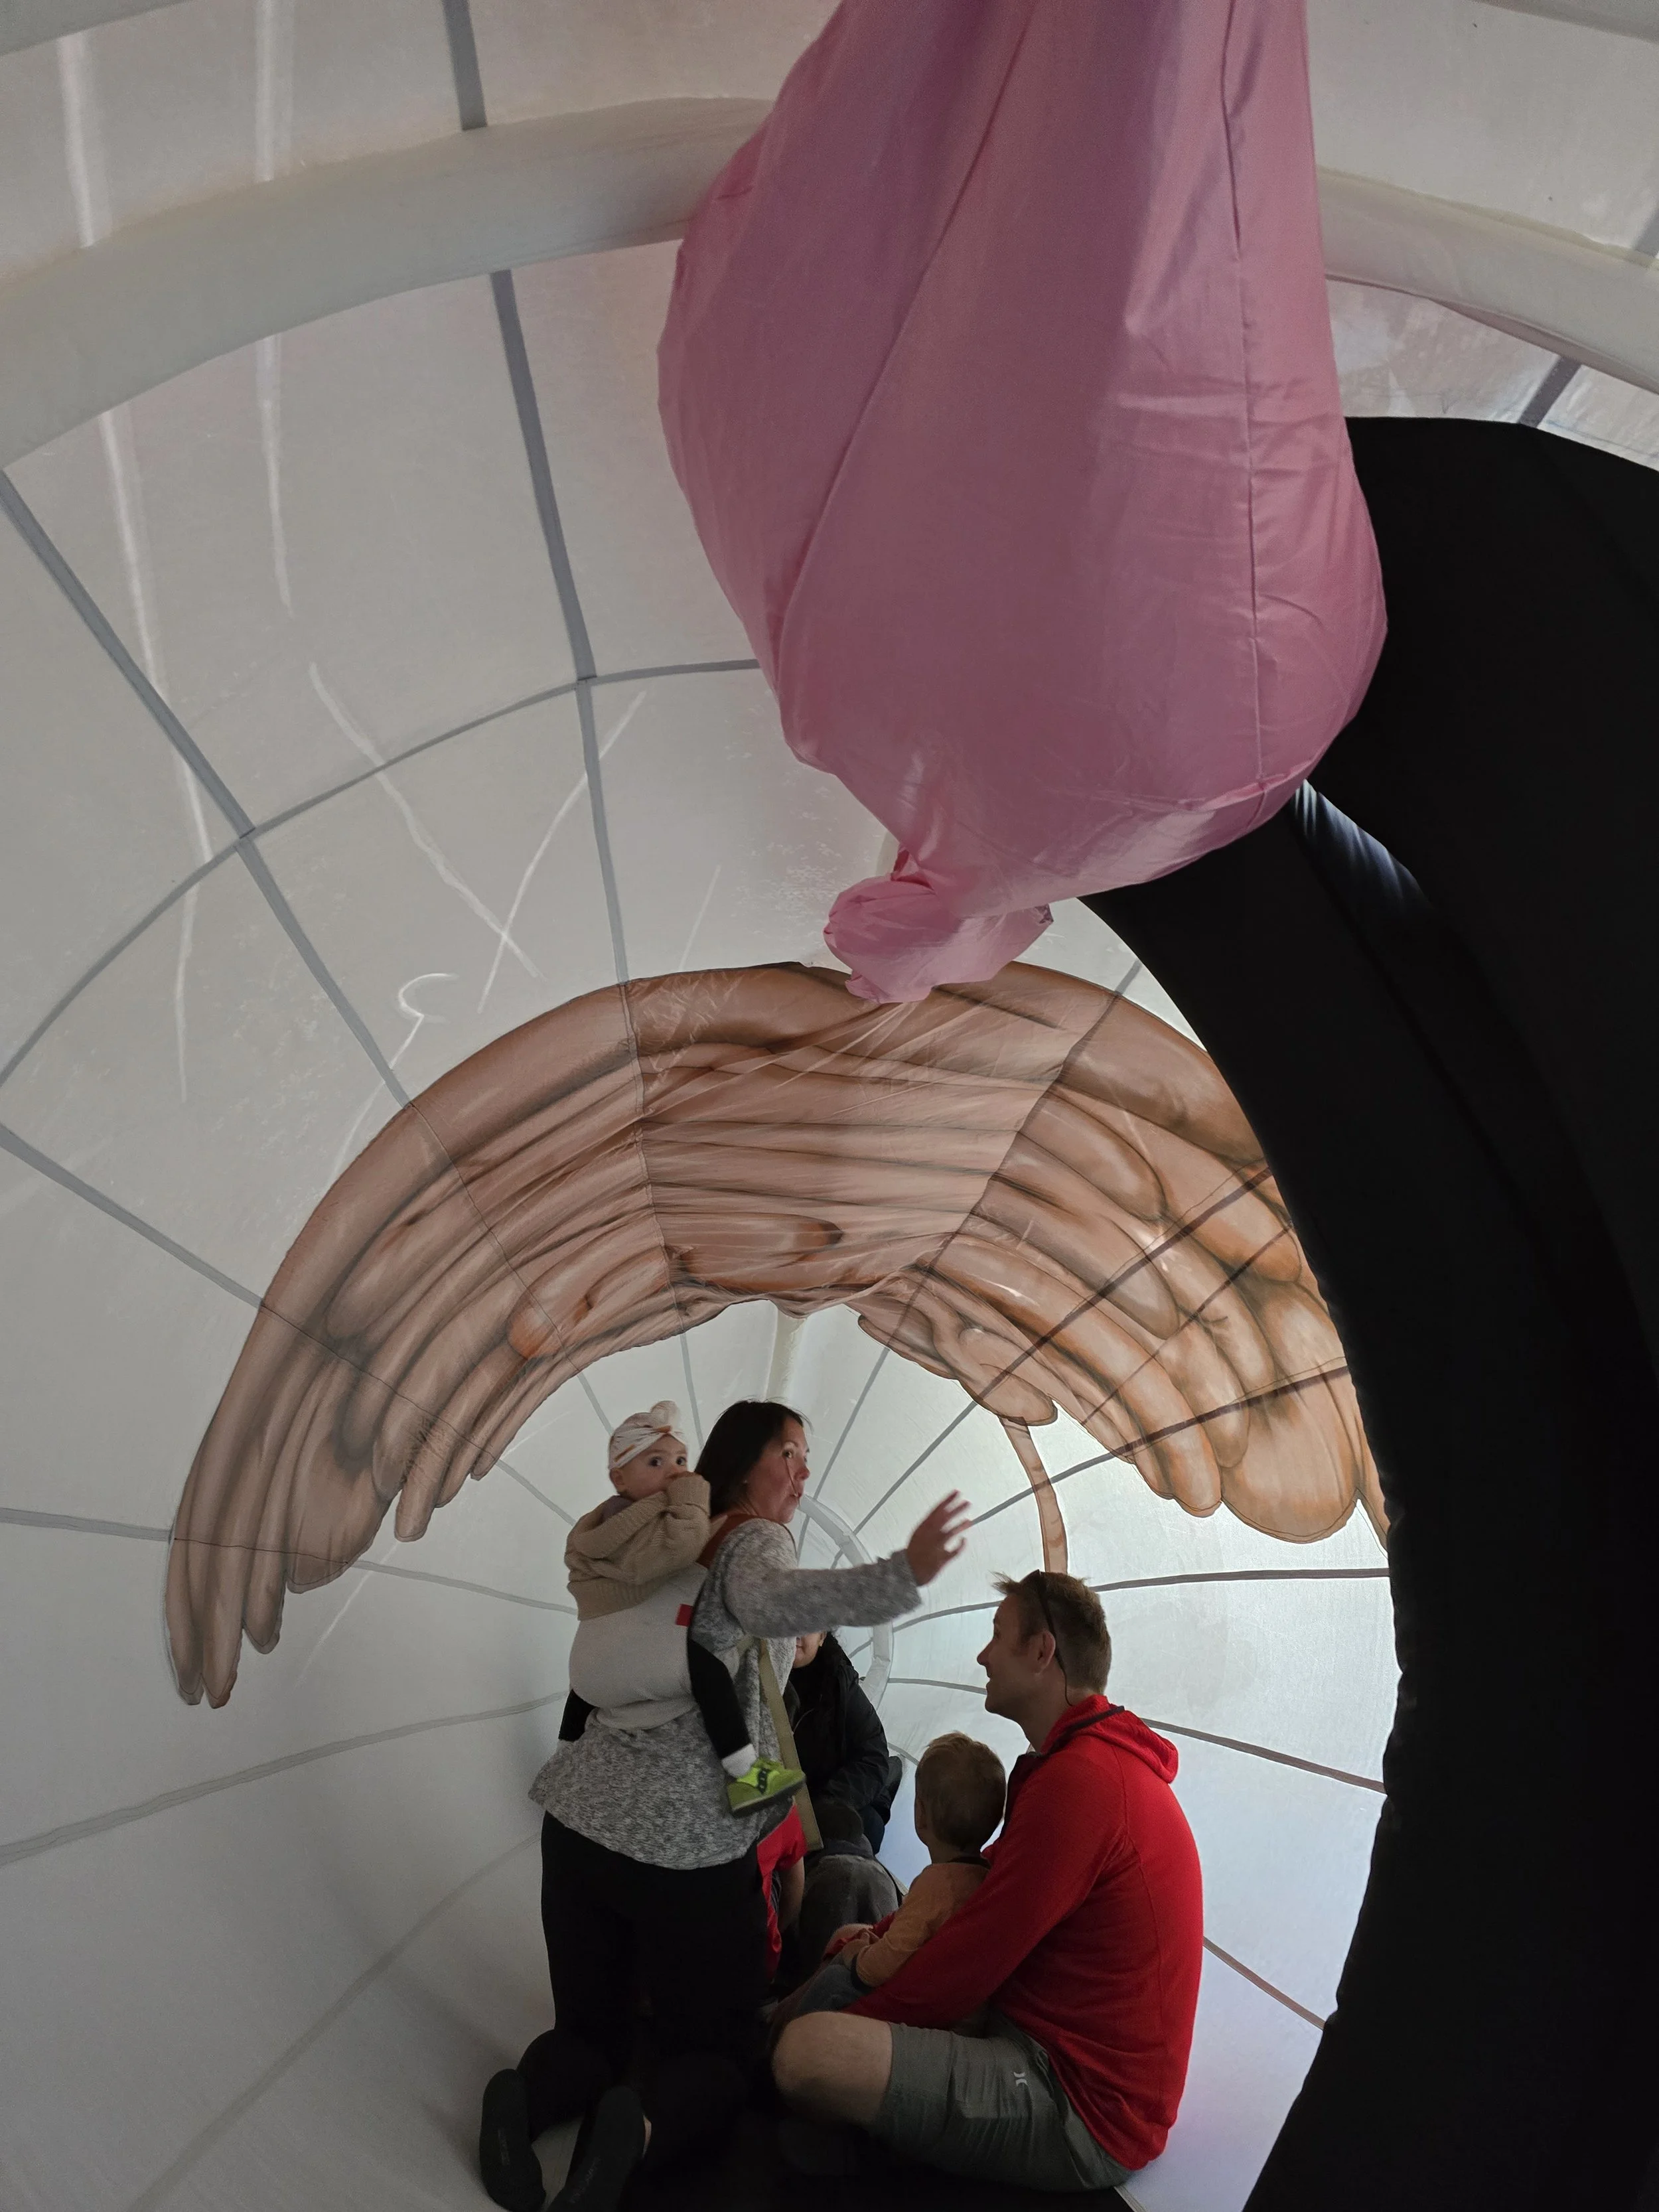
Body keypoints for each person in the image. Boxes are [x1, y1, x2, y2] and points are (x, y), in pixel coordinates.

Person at [477, 1399, 972, 2212]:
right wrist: (900, 1573)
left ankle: (519, 2104)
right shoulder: (750, 1536)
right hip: (686, 1855)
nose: (803, 1472)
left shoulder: (656, 1528)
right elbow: (771, 1601)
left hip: (577, 1825)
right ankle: (632, 2132)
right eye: (790, 1452)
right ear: (745, 1463)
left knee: (586, 2036)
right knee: (712, 2055)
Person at [772, 1571, 1203, 2193]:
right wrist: (875, 1939)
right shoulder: (1069, 1765)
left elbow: (969, 1962)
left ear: (1041, 1651)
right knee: (852, 1935)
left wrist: (855, 2015)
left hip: (1080, 2103)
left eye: (998, 1635)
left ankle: (844, 2139)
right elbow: (984, 1891)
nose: (982, 1654)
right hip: (1031, 2032)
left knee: (810, 2052)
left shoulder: (1085, 1784)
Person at [557, 1400, 802, 1812]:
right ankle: (747, 1772)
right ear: (619, 1477)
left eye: (681, 1460)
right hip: (648, 1651)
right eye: (656, 1462)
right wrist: (691, 1494)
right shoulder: (640, 1519)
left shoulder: (605, 1522)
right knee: (708, 1671)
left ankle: (566, 1756)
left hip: (592, 1653)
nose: (674, 1471)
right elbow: (681, 1545)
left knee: (584, 1690)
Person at [775, 1730, 1005, 2029]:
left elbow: (882, 1965)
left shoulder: (935, 1886)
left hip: (919, 2001)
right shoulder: (986, 1876)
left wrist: (856, 1956)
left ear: (920, 1816)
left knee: (833, 1979)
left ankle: (791, 2035)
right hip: (955, 2001)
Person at [788, 1628, 899, 1848]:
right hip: (776, 1799)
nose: (797, 1631)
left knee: (868, 1828)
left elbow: (873, 1757)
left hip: (825, 1796)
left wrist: (826, 1804)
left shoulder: (839, 1682)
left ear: (822, 1637)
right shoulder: (756, 1675)